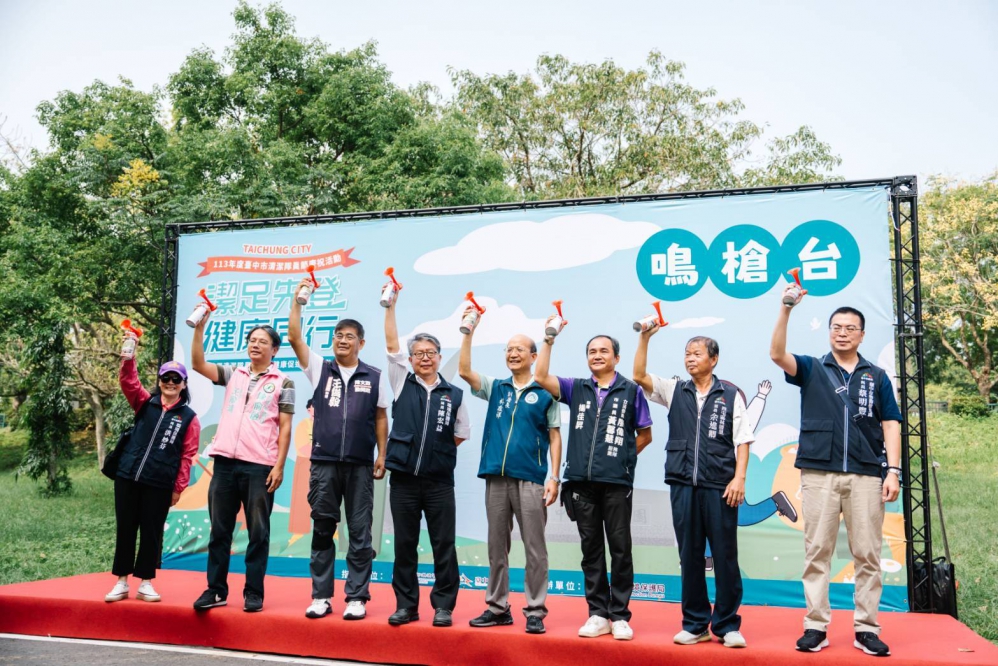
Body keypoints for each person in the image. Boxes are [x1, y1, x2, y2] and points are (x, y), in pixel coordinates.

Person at [770, 287, 902, 657]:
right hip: (819, 474)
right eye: (836, 327)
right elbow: (777, 354)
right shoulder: (812, 368)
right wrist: (786, 309)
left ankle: (866, 629)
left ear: (862, 335)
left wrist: (893, 471)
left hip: (866, 475)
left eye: (850, 328)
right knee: (817, 551)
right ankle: (815, 626)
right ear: (829, 332)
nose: (842, 333)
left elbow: (891, 423)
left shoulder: (877, 377)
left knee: (868, 554)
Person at [633, 325, 753, 648]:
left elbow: (743, 440)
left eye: (697, 353)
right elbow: (639, 375)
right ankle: (696, 624)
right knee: (690, 556)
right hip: (683, 484)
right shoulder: (675, 390)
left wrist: (739, 478)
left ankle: (727, 625)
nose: (690, 359)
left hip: (720, 486)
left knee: (725, 556)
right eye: (687, 354)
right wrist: (644, 338)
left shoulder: (730, 395)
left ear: (714, 359)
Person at [534, 326, 652, 641]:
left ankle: (620, 616)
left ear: (616, 358)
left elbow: (645, 435)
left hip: (616, 484)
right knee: (591, 550)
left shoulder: (631, 391)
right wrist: (548, 340)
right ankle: (598, 614)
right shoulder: (576, 388)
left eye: (603, 351)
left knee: (621, 549)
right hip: (580, 485)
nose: (597, 356)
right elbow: (541, 376)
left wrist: (622, 459)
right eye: (592, 352)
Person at [288, 283, 389, 621]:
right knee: (322, 529)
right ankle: (321, 596)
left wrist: (382, 454)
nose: (342, 340)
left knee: (360, 533)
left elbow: (380, 417)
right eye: (338, 335)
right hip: (324, 463)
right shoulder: (320, 368)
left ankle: (357, 597)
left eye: (349, 336)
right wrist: (297, 303)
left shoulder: (374, 376)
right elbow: (294, 338)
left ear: (361, 343)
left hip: (360, 466)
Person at [458, 317, 562, 635]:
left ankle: (535, 610)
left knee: (535, 548)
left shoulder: (546, 392)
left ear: (533, 356)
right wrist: (469, 333)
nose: (513, 353)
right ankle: (497, 607)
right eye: (509, 349)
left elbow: (555, 436)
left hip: (531, 478)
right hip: (496, 477)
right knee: (496, 546)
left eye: (520, 349)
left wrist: (554, 477)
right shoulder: (496, 387)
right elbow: (464, 371)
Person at [190, 313, 295, 613]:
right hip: (224, 464)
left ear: (274, 349)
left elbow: (285, 427)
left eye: (262, 341)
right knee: (219, 532)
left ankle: (254, 593)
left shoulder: (283, 382)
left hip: (259, 467)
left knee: (258, 533)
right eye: (252, 341)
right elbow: (198, 364)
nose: (255, 345)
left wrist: (279, 466)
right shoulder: (233, 374)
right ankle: (216, 590)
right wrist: (199, 329)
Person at [383, 288, 470, 628]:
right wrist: (390, 307)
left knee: (443, 545)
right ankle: (407, 606)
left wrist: (435, 453)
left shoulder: (455, 394)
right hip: (403, 481)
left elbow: (460, 433)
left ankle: (443, 606)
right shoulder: (400, 382)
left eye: (430, 353)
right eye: (418, 353)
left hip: (438, 483)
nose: (424, 358)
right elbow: (392, 345)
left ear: (439, 356)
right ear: (411, 359)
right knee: (405, 545)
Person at [105, 343, 200, 604]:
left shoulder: (189, 418)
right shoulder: (145, 403)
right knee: (126, 529)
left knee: (151, 531)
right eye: (166, 378)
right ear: (159, 381)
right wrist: (128, 358)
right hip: (128, 476)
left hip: (159, 483)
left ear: (183, 384)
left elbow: (187, 455)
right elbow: (129, 382)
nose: (170, 383)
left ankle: (146, 582)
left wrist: (178, 488)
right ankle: (121, 581)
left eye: (176, 379)